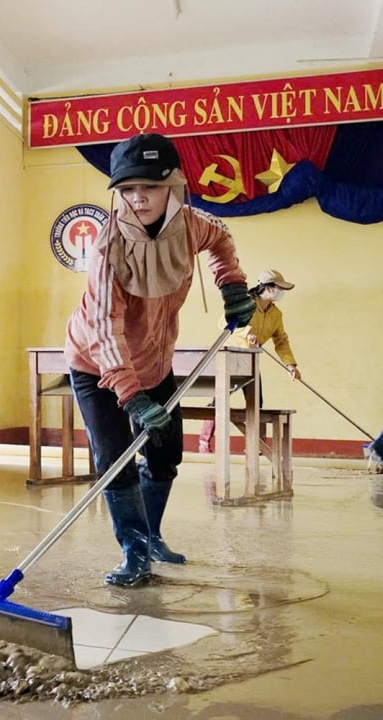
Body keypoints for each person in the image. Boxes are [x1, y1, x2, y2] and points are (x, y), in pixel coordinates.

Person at [64, 133, 255, 587]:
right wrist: (129, 395)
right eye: (127, 189)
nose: (137, 197)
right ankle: (134, 552)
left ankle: (151, 536)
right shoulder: (109, 246)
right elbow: (105, 327)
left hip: (153, 358)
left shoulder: (191, 224)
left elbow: (222, 238)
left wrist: (231, 284)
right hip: (98, 363)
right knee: (115, 457)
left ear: (173, 184)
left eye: (148, 186)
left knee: (166, 451)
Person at [198, 269, 299, 453]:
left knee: (256, 403)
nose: (281, 293)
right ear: (267, 288)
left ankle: (256, 446)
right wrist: (247, 331)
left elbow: (281, 341)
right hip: (231, 358)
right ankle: (204, 443)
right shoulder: (245, 303)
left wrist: (290, 365)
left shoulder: (276, 315)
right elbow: (225, 323)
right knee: (219, 401)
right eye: (279, 288)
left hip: (251, 360)